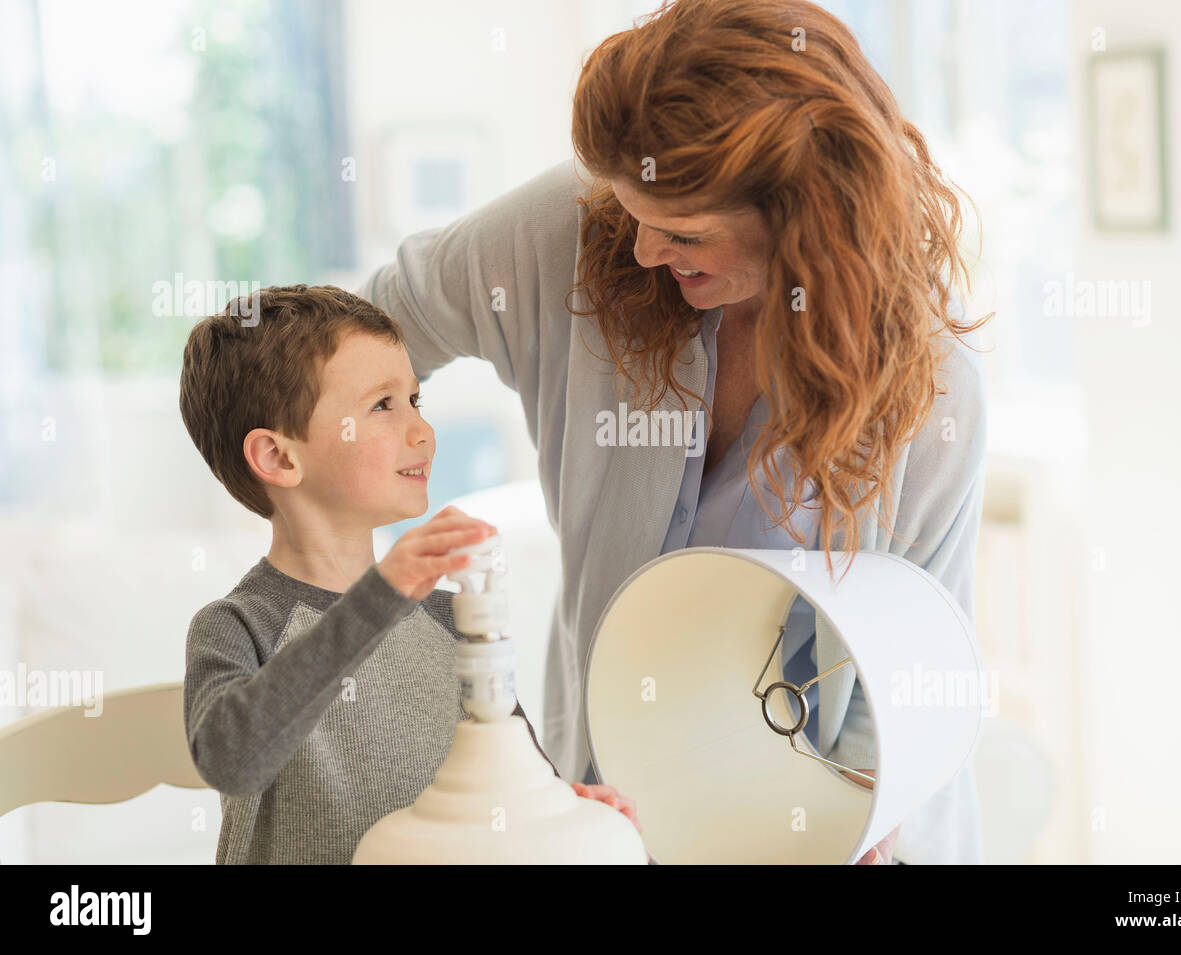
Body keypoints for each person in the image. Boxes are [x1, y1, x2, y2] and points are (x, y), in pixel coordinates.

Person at [360, 0, 990, 864]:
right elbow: (365, 337)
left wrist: (851, 819)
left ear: (808, 218)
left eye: (686, 232)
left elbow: (920, 658)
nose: (647, 250)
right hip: (600, 814)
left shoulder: (928, 387)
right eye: (634, 216)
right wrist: (353, 518)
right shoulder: (579, 231)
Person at [178, 285, 638, 864]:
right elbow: (231, 760)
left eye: (416, 400)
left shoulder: (449, 618)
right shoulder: (240, 626)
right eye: (382, 405)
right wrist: (381, 597)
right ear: (279, 457)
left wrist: (571, 814)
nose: (423, 432)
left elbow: (515, 788)